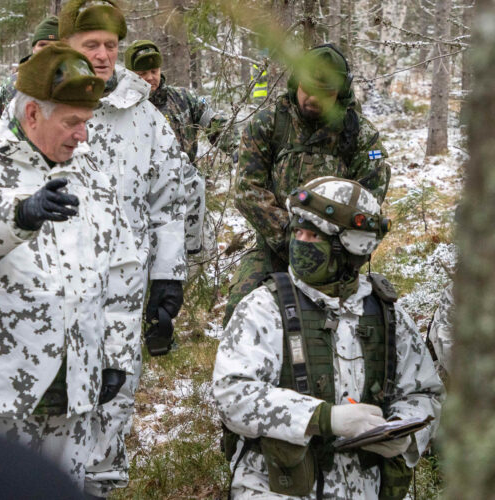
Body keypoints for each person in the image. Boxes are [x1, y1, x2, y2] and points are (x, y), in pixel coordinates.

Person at [0, 44, 140, 490]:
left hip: (77, 390)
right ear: (32, 114)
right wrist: (21, 214)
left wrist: (116, 356)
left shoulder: (92, 174)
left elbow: (123, 268)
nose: (83, 136)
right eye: (72, 122)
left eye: (86, 123)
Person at [213, 176, 444, 499]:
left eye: (313, 235)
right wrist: (323, 418)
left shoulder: (386, 314)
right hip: (276, 487)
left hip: (369, 488)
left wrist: (403, 434)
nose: (301, 241)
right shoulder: (265, 307)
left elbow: (425, 392)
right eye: (297, 232)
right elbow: (232, 395)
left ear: (349, 249)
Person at [58, 1, 188, 495]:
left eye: (110, 45)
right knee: (54, 406)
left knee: (114, 397)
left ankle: (99, 486)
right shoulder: (37, 106)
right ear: (65, 46)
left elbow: (169, 202)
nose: (103, 54)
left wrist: (168, 276)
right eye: (90, 44)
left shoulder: (144, 116)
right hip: (54, 289)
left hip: (122, 286)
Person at [224, 44, 392, 325]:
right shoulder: (269, 124)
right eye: (308, 88)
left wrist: (327, 242)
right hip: (275, 243)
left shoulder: (360, 134)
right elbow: (247, 190)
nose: (313, 99)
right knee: (242, 308)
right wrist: (292, 237)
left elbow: (370, 196)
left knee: (358, 321)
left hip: (336, 251)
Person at [124, 39, 237, 257]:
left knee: (198, 259)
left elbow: (216, 123)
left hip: (188, 197)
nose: (149, 78)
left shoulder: (184, 98)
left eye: (154, 71)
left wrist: (237, 149)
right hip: (143, 202)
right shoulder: (122, 108)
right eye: (141, 73)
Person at [0, 15, 59, 124]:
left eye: (57, 45)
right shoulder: (10, 85)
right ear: (34, 49)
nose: (48, 50)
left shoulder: (78, 85)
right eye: (43, 45)